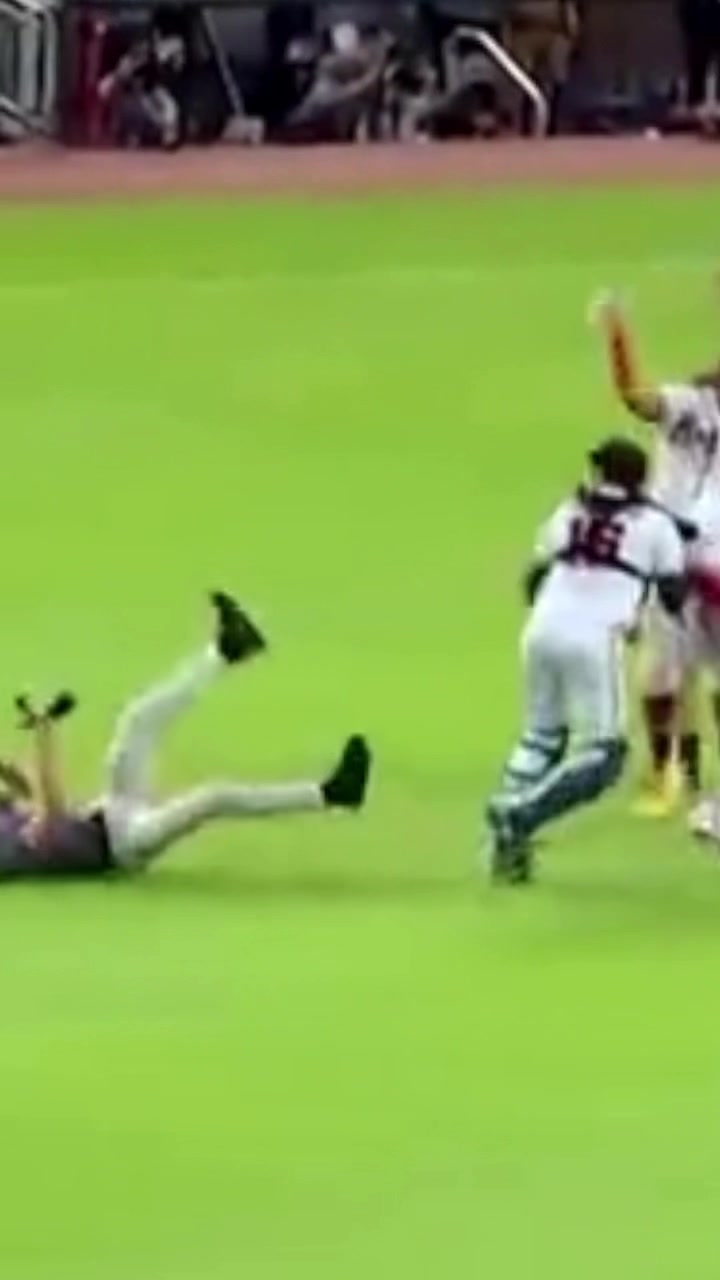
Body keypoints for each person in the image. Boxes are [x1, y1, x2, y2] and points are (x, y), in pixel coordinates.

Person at [0, 592, 371, 879]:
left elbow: (25, 794)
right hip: (125, 845)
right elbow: (51, 816)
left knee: (139, 720)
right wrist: (45, 734)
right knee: (215, 798)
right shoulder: (8, 852)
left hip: (110, 810)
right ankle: (332, 794)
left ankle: (228, 649)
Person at [486, 438, 686, 884]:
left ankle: (507, 842)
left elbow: (534, 579)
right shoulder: (657, 524)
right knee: (605, 756)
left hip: (541, 629)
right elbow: (674, 595)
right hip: (594, 637)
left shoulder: (570, 510)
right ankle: (518, 812)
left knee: (541, 737)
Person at [593, 291, 720, 814]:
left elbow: (635, 396)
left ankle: (683, 775)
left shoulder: (691, 402)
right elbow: (635, 396)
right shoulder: (690, 403)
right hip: (674, 549)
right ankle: (671, 770)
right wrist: (619, 337)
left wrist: (617, 333)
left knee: (689, 668)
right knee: (671, 668)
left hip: (702, 553)